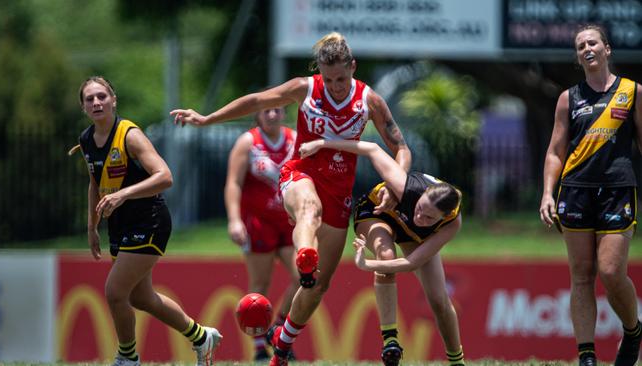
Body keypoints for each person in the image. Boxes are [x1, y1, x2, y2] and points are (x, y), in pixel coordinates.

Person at [170, 32, 411, 365]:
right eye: (329, 79)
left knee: (318, 286)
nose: (336, 86)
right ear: (319, 73)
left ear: (353, 68)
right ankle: (305, 254)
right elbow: (256, 101)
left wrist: (395, 185)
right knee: (308, 210)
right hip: (300, 175)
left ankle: (281, 344)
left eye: (342, 78)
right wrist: (209, 118)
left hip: (340, 192)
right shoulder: (305, 88)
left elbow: (400, 147)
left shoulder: (369, 101)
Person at [74, 76, 222, 366]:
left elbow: (165, 177)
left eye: (102, 96)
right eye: (89, 99)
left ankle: (128, 357)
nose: (96, 102)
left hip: (149, 220)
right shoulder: (86, 140)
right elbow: (95, 182)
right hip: (121, 224)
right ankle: (201, 336)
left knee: (115, 293)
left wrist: (123, 195)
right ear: (83, 106)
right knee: (141, 298)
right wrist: (92, 227)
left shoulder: (129, 135)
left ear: (113, 99)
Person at [299, 138, 464, 366]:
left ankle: (457, 362)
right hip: (377, 212)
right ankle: (390, 341)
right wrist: (321, 143)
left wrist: (366, 265)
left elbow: (411, 263)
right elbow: (371, 148)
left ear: (442, 218)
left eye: (428, 217)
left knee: (439, 300)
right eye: (420, 208)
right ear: (421, 196)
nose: (420, 217)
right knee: (386, 256)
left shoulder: (451, 224)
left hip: (414, 235)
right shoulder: (405, 186)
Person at [539, 24, 642, 366]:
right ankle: (586, 355)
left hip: (617, 191)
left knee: (611, 272)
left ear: (607, 49)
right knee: (581, 275)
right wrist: (547, 194)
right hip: (576, 192)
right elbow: (555, 151)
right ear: (577, 55)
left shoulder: (632, 92)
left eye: (593, 42)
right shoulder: (569, 98)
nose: (587, 48)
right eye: (581, 45)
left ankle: (632, 330)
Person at [224, 107, 300, 361]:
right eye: (266, 110)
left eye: (276, 110)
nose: (271, 115)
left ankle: (278, 329)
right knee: (260, 286)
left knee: (304, 278)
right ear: (258, 116)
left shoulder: (294, 139)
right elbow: (233, 182)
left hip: (289, 221)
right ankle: (258, 344)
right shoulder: (248, 142)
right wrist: (234, 220)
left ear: (283, 113)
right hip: (258, 221)